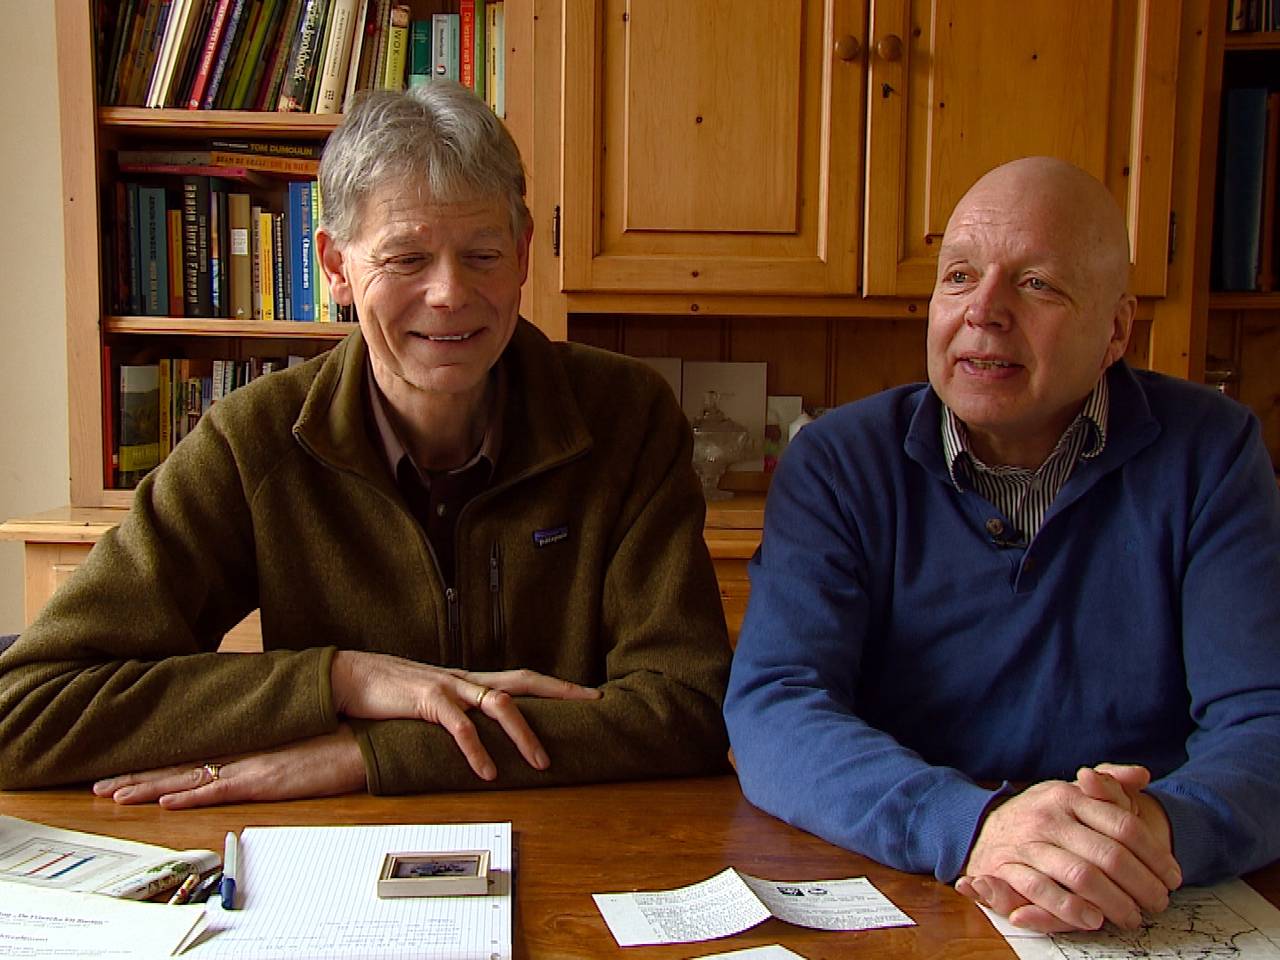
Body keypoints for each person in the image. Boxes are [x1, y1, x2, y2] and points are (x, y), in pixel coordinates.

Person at [0, 81, 730, 806]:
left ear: (525, 252)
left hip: (582, 849)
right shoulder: (250, 443)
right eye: (407, 259)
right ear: (335, 267)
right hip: (334, 871)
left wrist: (367, 752)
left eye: (482, 254)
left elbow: (687, 709)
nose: (448, 293)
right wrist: (345, 679)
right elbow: (23, 713)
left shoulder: (628, 417)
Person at [724, 156, 1280, 934]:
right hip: (913, 883)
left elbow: (1265, 718)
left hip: (1145, 898)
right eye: (958, 276)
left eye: (1037, 284)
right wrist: (976, 826)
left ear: (1116, 328)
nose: (983, 311)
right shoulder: (839, 461)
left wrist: (1150, 831)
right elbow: (774, 705)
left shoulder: (1212, 454)